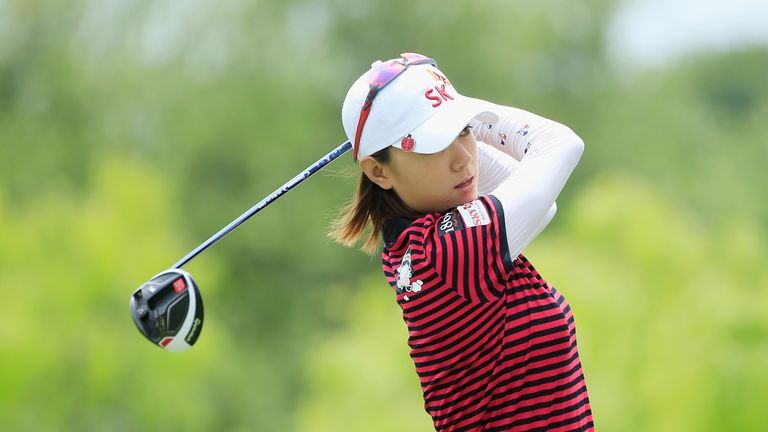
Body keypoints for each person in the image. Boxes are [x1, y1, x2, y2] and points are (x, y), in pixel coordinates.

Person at [330, 53, 594, 431]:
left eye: (464, 132)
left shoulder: (415, 244)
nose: (461, 160)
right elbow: (561, 144)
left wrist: (443, 107)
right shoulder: (452, 250)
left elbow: (540, 204)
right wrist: (456, 105)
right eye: (432, 146)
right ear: (378, 171)